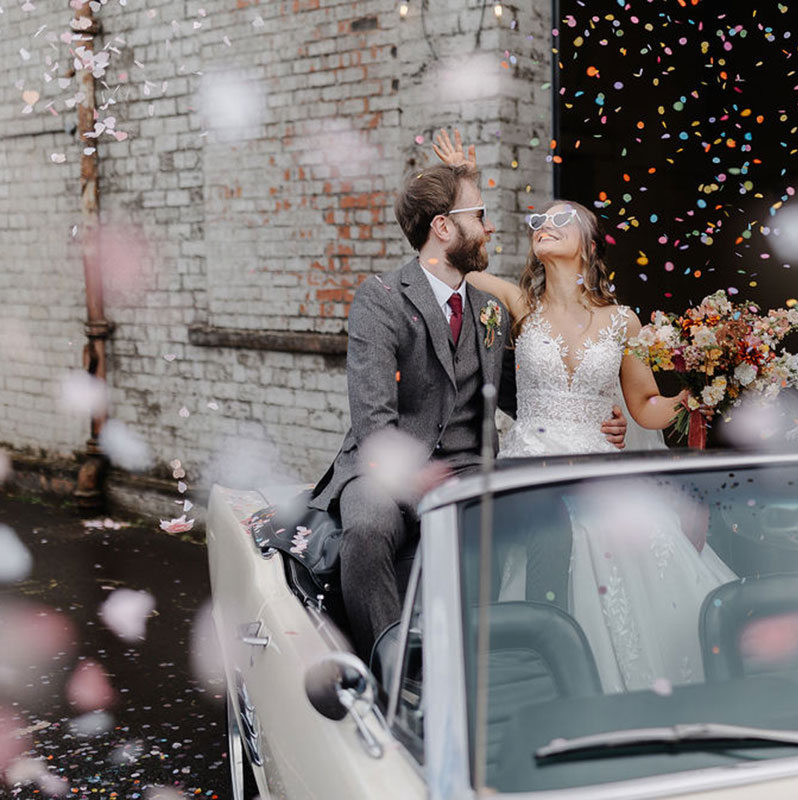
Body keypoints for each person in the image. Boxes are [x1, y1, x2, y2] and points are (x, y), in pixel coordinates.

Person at [433, 131, 736, 692]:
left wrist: (698, 393)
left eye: (560, 221)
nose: (544, 226)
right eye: (538, 223)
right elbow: (458, 264)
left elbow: (645, 408)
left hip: (597, 463)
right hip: (532, 465)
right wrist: (465, 180)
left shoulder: (623, 321)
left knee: (629, 532)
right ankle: (536, 677)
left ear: (588, 245)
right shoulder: (519, 303)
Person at [308, 158, 627, 659]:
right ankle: (390, 667)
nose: (490, 227)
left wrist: (590, 416)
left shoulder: (489, 310)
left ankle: (533, 657)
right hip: (382, 470)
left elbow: (517, 394)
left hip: (466, 469)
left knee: (550, 521)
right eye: (479, 216)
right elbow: (373, 419)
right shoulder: (382, 298)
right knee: (368, 529)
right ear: (443, 227)